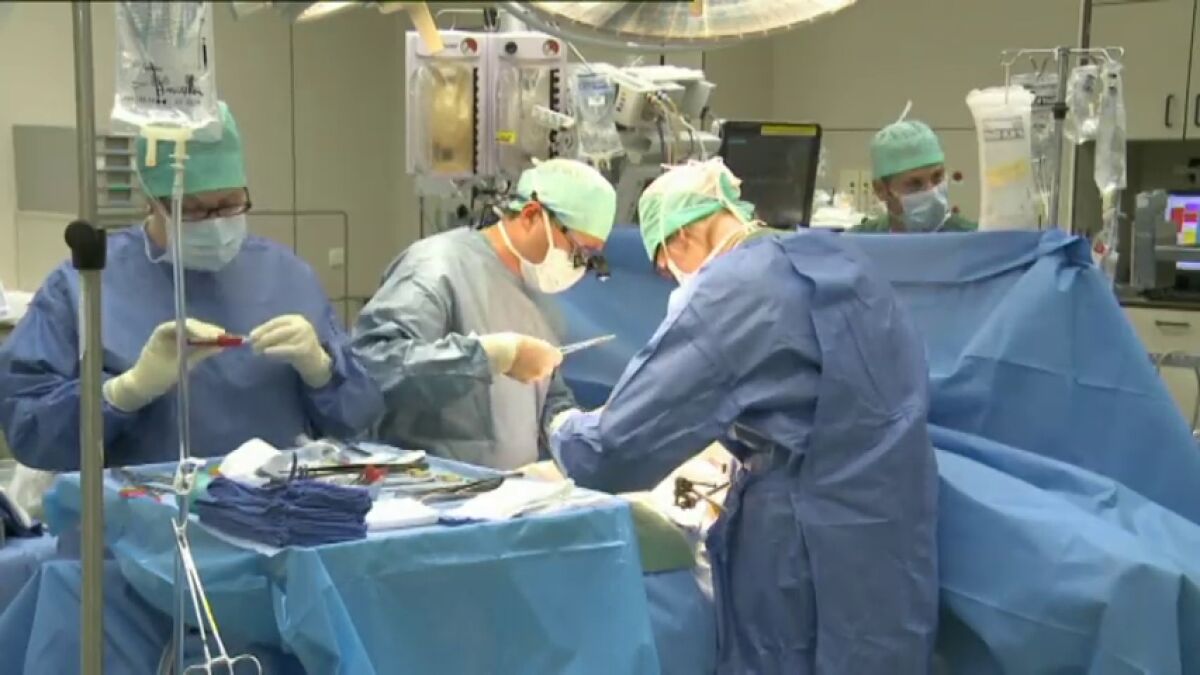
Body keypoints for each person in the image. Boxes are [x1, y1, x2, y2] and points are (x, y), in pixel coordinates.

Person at [548, 159, 939, 673]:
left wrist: (559, 425)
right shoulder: (841, 260)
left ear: (684, 235)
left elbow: (610, 452)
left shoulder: (730, 290)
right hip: (892, 527)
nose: (671, 277)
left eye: (664, 265)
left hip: (802, 545)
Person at [0, 101, 383, 483]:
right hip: (144, 514)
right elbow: (29, 432)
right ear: (151, 201)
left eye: (230, 204)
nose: (214, 224)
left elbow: (358, 419)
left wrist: (323, 372)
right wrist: (123, 393)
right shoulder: (84, 286)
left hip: (275, 508)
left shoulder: (289, 276)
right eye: (193, 210)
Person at [352, 159, 616, 470]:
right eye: (578, 251)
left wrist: (565, 423)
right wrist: (491, 357)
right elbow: (374, 367)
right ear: (531, 215)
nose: (578, 265)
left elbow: (547, 393)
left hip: (506, 491)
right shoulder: (437, 267)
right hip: (425, 487)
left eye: (590, 259)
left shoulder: (541, 297)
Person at [854, 112, 977, 233]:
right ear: (881, 189)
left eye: (937, 177)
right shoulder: (858, 242)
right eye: (915, 183)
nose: (932, 192)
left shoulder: (972, 239)